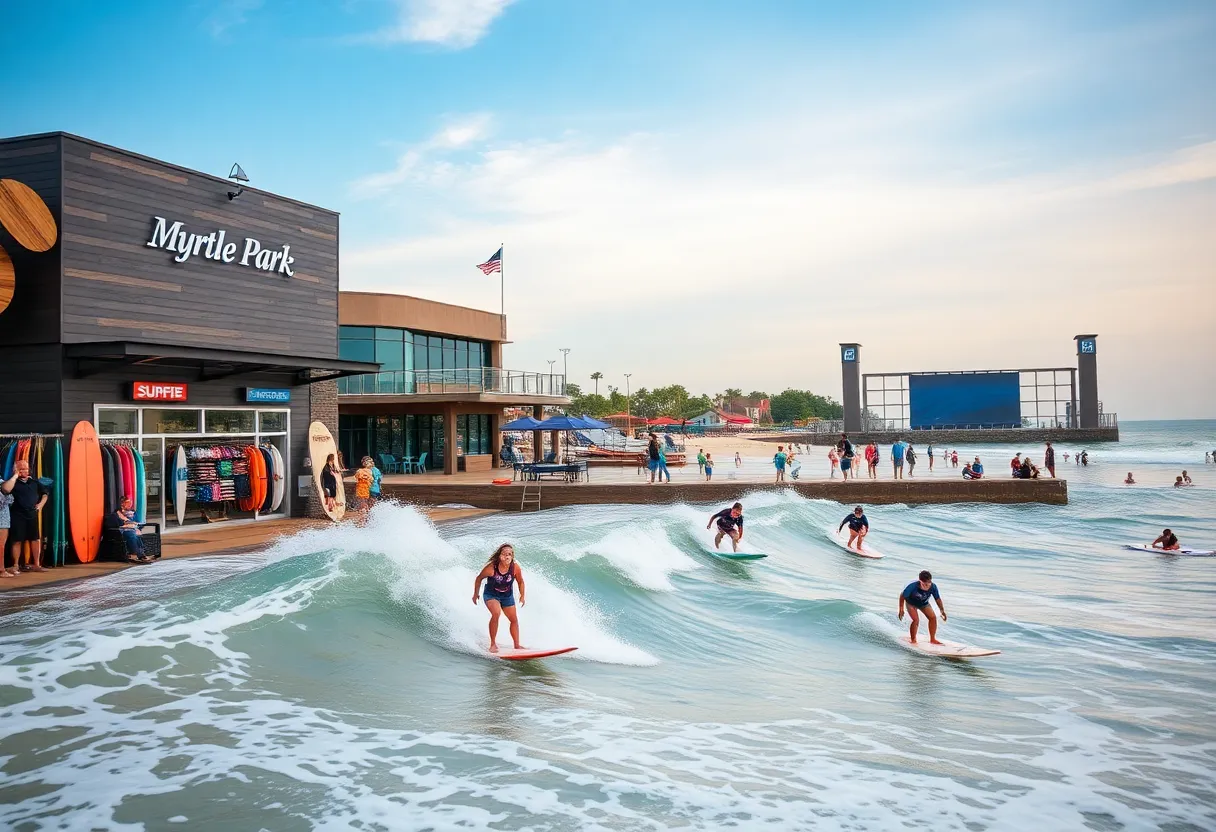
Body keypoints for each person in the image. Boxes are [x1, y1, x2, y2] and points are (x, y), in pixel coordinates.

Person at [472, 543, 526, 653]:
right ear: (499, 556)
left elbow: (520, 582)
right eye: (505, 554)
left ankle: (517, 645)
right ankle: (492, 644)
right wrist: (475, 594)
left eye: (510, 554)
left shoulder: (515, 567)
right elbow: (479, 579)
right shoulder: (491, 568)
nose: (507, 556)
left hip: (507, 596)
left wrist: (522, 596)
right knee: (496, 613)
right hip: (491, 594)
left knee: (514, 619)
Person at [2, 460, 47, 573]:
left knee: (35, 539)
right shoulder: (13, 482)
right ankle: (16, 565)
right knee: (17, 540)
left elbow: (45, 494)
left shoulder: (34, 482)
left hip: (32, 514)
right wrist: (15, 475)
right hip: (17, 514)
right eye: (21, 469)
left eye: (26, 469)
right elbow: (6, 489)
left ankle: (37, 564)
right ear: (16, 470)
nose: (24, 471)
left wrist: (40, 505)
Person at [898, 570, 947, 645]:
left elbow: (938, 599)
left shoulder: (933, 587)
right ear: (920, 581)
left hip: (923, 603)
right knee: (916, 620)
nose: (927, 586)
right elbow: (902, 596)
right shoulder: (912, 586)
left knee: (933, 618)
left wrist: (942, 611)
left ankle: (932, 639)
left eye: (929, 583)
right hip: (911, 603)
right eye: (925, 584)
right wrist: (901, 609)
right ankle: (913, 640)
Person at [104, 497, 151, 564]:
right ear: (122, 504)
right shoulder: (117, 514)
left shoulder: (133, 513)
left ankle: (140, 554)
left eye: (130, 503)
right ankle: (138, 554)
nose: (130, 505)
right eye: (127, 503)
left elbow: (138, 522)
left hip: (132, 529)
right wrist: (128, 524)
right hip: (121, 532)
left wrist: (136, 527)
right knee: (132, 534)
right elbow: (118, 524)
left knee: (136, 535)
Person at [0, 486, 12, 578]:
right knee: (1, 546)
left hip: (4, 520)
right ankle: (1, 570)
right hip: (2, 521)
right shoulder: (3, 484)